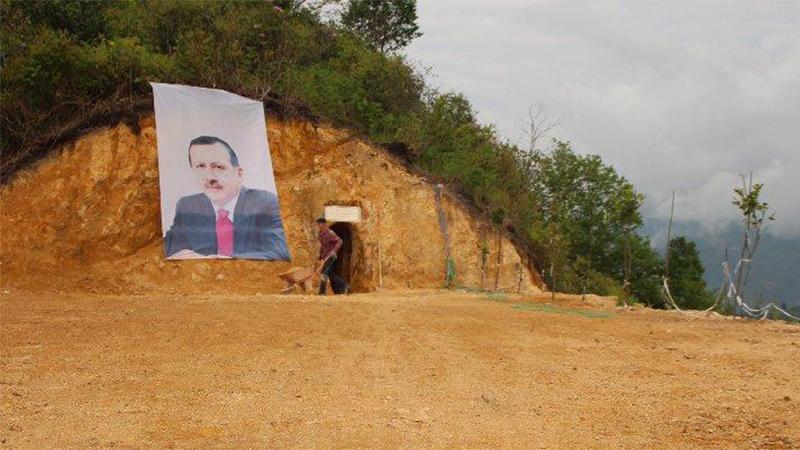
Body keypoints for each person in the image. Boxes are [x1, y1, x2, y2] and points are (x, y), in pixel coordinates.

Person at [164, 135, 290, 260]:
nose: (209, 177)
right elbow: (169, 249)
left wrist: (214, 261)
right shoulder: (187, 205)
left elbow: (280, 253)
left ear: (239, 173)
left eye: (218, 167)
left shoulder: (266, 204)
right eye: (200, 166)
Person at [315, 218, 349, 295]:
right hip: (325, 256)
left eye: (319, 224)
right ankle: (344, 285)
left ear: (323, 224)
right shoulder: (320, 234)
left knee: (324, 272)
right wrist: (320, 257)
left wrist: (334, 251)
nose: (318, 226)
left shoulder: (330, 233)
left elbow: (340, 241)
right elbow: (322, 246)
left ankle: (322, 292)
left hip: (331, 256)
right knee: (330, 274)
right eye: (317, 224)